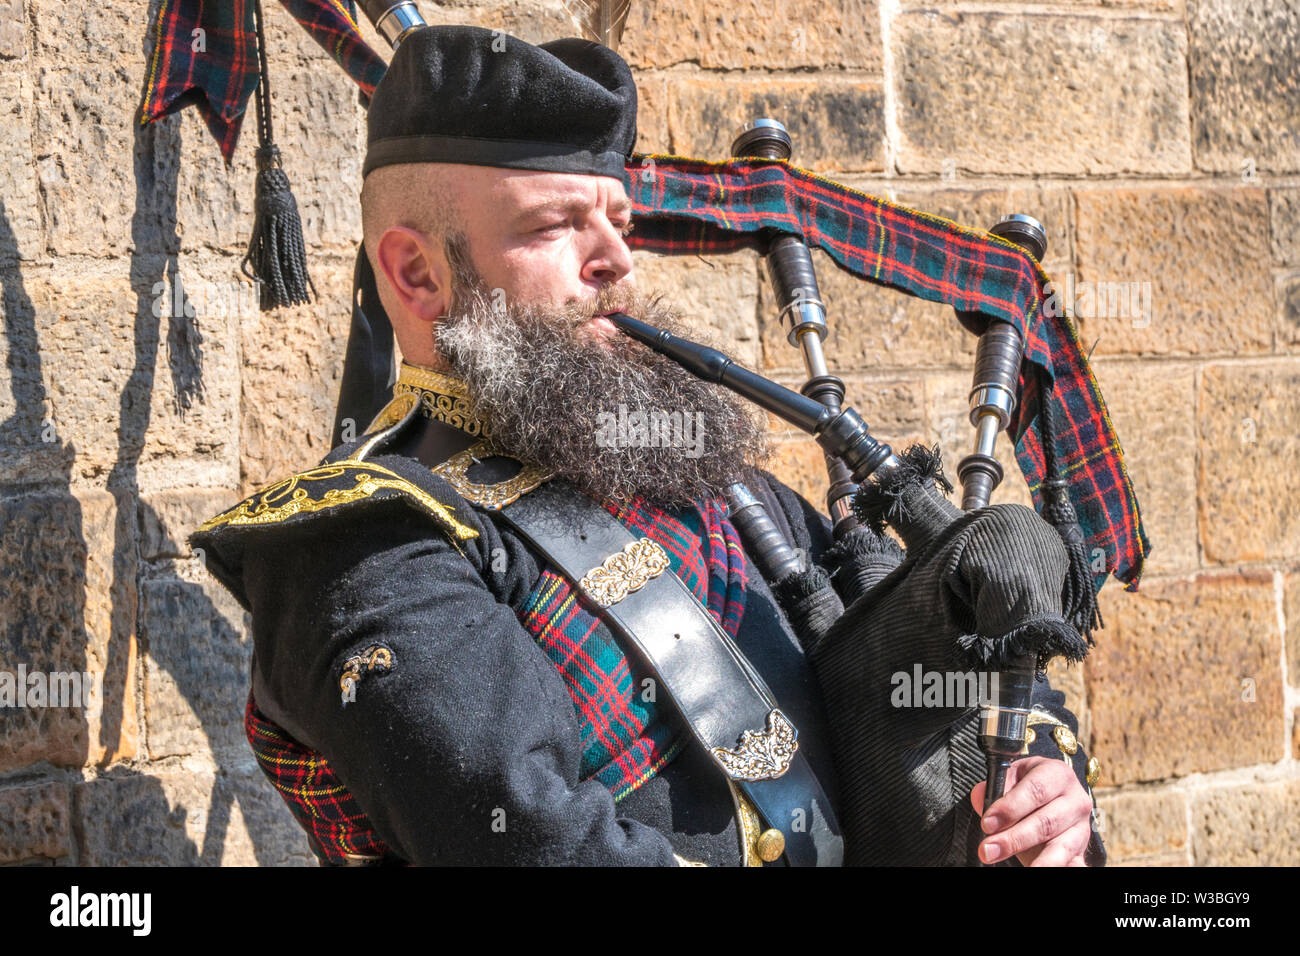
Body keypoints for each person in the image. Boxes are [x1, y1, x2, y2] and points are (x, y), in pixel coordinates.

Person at [193, 25, 1103, 867]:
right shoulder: (364, 547)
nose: (616, 262)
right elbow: (541, 845)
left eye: (620, 224)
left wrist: (1036, 785)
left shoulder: (713, 488)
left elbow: (910, 688)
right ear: (417, 272)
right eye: (555, 225)